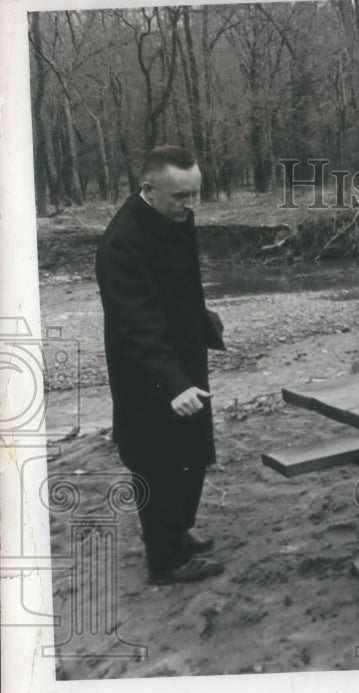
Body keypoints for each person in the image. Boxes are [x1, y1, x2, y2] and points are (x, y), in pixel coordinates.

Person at [96, 145, 226, 585]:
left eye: (195, 194)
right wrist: (172, 384)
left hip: (182, 358)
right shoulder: (123, 242)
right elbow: (135, 326)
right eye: (181, 196)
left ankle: (178, 535)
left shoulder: (172, 217)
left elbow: (179, 282)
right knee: (158, 462)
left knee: (190, 454)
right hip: (147, 374)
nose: (190, 206)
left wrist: (204, 321)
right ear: (148, 189)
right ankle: (165, 562)